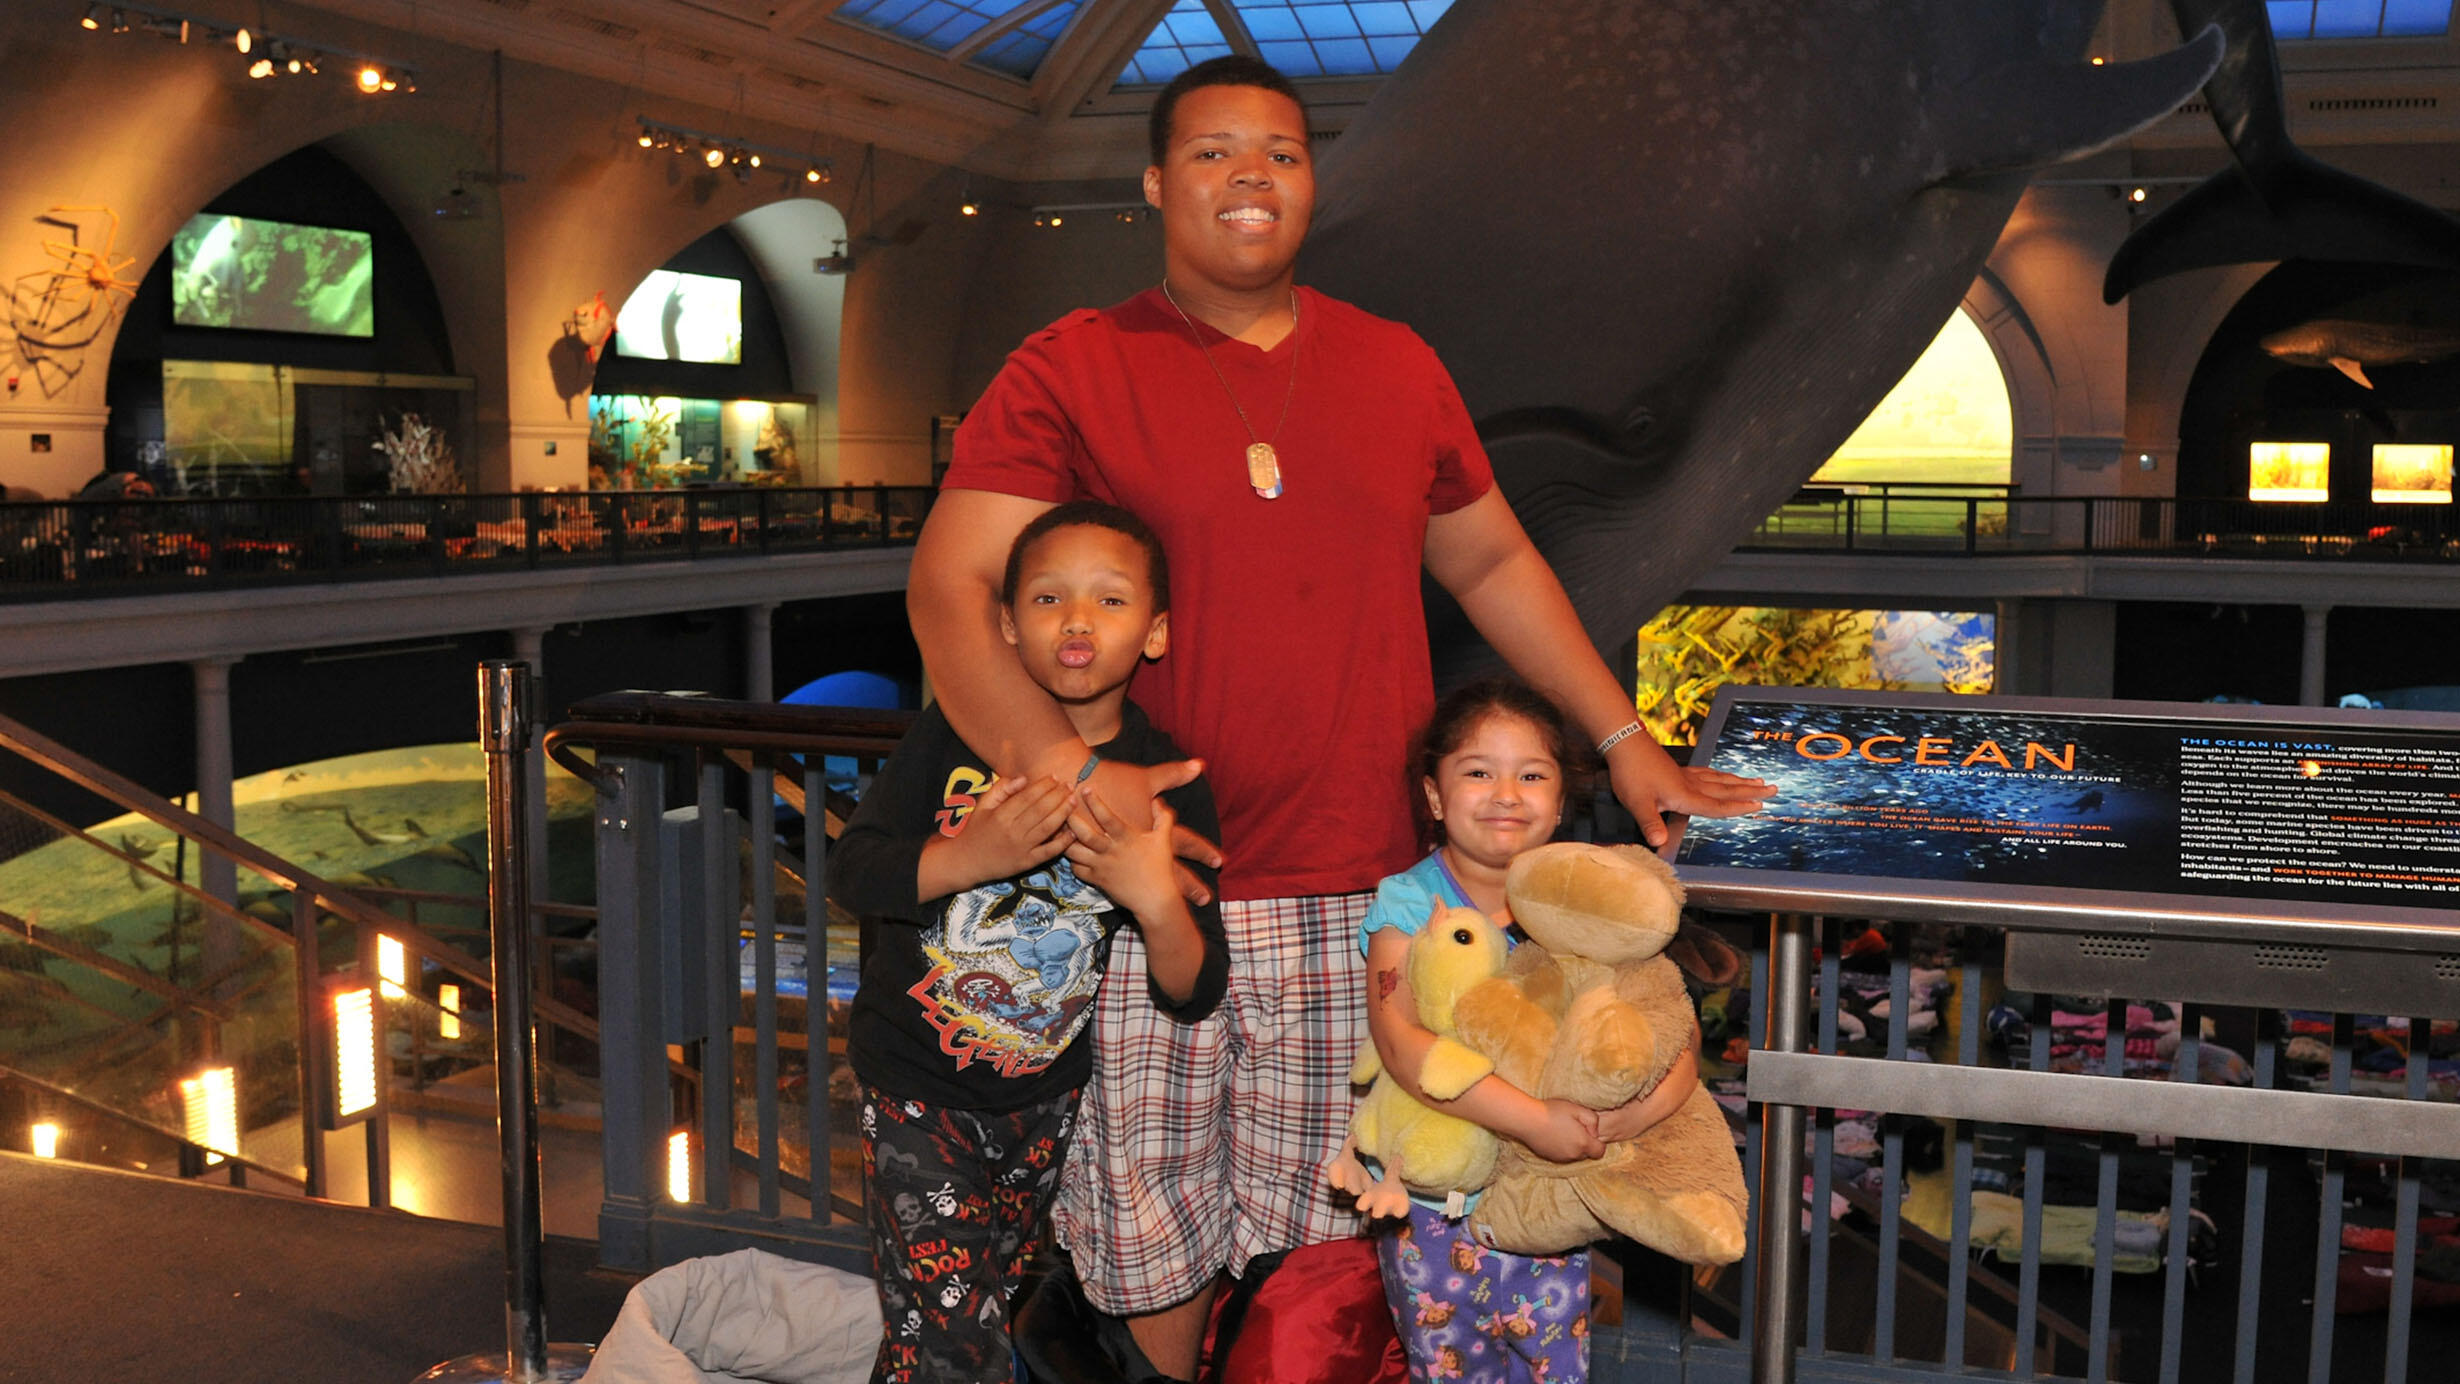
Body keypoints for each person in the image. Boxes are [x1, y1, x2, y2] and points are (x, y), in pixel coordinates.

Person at [909, 55, 1770, 1377]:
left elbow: (1494, 564)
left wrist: (1624, 740)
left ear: (1313, 185)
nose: (1249, 174)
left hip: (1358, 890)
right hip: (1151, 883)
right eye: (1211, 152)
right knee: (1142, 1225)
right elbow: (951, 588)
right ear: (1154, 183)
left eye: (1281, 152)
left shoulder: (1395, 366)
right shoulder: (1071, 367)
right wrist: (1067, 776)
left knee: (1330, 1219)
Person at [832, 502, 1228, 1384]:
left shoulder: (1163, 785)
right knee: (952, 1339)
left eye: (1110, 601)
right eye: (1048, 599)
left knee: (962, 1319)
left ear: (1155, 633)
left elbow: (1192, 986)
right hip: (914, 1094)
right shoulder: (957, 737)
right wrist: (970, 856)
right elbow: (854, 872)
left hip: (1042, 1106)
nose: (1078, 620)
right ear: (1008, 626)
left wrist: (1155, 899)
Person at [1333, 680, 1703, 1384]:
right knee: (1449, 1371)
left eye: (1532, 775)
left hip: (1547, 1203)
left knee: (1554, 1369)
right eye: (1479, 772)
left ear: (1562, 800)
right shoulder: (1408, 904)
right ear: (1435, 796)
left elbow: (1673, 1033)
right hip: (1433, 1207)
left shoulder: (1589, 900)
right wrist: (1533, 1119)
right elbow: (1401, 1043)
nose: (1507, 793)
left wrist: (1618, 1121)